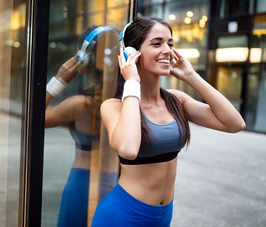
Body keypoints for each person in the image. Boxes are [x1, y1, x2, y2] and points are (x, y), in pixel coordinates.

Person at [91, 16, 246, 227]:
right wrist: (132, 82)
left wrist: (191, 75)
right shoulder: (114, 106)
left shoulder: (176, 100)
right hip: (122, 215)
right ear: (131, 53)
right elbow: (127, 149)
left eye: (170, 43)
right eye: (157, 43)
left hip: (163, 216)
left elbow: (235, 124)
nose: (168, 50)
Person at [45, 26, 120, 227]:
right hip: (120, 185)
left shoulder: (79, 104)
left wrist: (59, 80)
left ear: (83, 59)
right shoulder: (128, 103)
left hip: (82, 184)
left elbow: (35, 119)